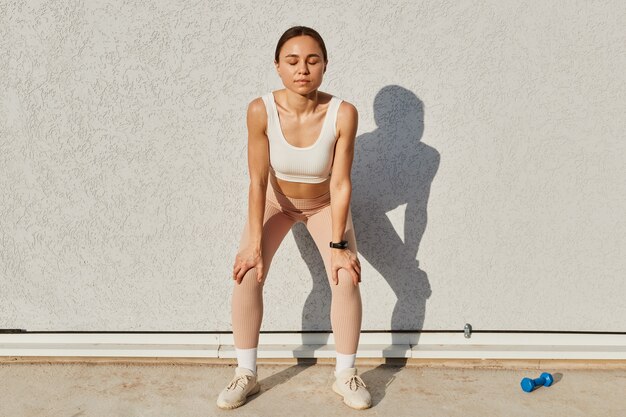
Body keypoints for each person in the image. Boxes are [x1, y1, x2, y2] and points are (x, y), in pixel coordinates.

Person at [216, 26, 371, 411]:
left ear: (324, 66)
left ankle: (346, 374)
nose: (303, 69)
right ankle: (245, 373)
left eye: (312, 60)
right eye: (293, 61)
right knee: (248, 271)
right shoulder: (260, 110)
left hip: (324, 205)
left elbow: (340, 184)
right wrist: (254, 242)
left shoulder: (343, 113)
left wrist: (339, 247)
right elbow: (256, 180)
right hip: (276, 202)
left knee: (346, 274)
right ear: (278, 67)